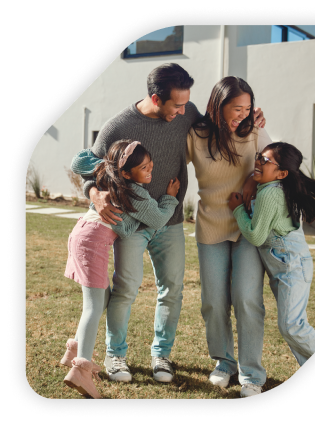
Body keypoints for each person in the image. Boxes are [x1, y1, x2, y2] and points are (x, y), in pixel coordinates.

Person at [73, 63, 266, 384]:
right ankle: (115, 355)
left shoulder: (186, 112)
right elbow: (88, 164)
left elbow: (220, 124)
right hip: (131, 223)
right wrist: (93, 192)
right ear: (155, 97)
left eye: (185, 103)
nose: (183, 110)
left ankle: (161, 355)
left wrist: (250, 118)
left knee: (172, 290)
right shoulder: (118, 126)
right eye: (176, 104)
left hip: (171, 221)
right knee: (126, 289)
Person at [61, 139, 180, 398]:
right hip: (92, 241)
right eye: (144, 168)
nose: (150, 171)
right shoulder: (136, 193)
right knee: (92, 307)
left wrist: (106, 166)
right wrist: (170, 198)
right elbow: (159, 217)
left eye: (151, 165)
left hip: (84, 234)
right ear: (126, 172)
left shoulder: (112, 178)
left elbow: (79, 162)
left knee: (101, 299)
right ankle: (81, 369)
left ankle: (74, 348)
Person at [186, 76, 273, 398]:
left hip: (249, 226)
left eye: (247, 108)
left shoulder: (254, 132)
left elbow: (275, 165)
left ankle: (251, 373)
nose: (242, 114)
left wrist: (253, 181)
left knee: (247, 299)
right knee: (213, 301)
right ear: (218, 105)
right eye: (236, 108)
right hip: (211, 225)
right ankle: (224, 361)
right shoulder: (196, 135)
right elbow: (170, 161)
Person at [228, 142, 315, 368]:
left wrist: (238, 209)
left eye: (265, 161)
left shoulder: (271, 192)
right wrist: (253, 178)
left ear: (282, 173)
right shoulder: (275, 187)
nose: (258, 162)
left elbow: (256, 236)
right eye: (259, 157)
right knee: (292, 327)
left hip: (292, 267)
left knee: (292, 326)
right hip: (286, 267)